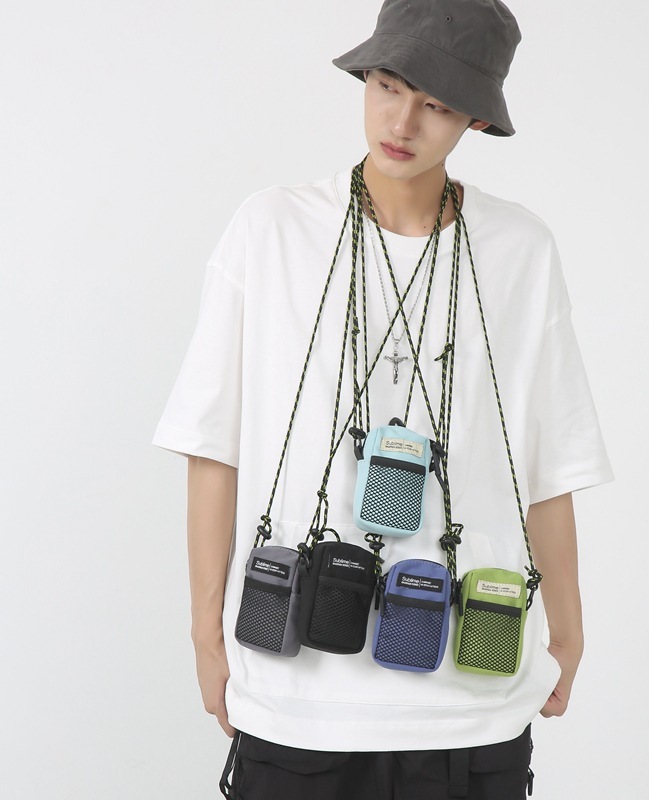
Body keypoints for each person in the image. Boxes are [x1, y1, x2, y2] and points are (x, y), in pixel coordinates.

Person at [154, 0, 613, 797]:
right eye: (389, 86)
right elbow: (212, 445)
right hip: (297, 697)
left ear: (475, 118)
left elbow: (549, 464)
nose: (402, 122)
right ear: (366, 78)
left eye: (437, 104)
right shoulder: (271, 230)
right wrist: (204, 633)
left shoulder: (521, 250)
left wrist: (569, 630)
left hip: (471, 702)